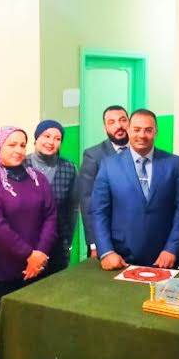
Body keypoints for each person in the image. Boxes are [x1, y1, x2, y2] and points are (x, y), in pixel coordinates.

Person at [0, 126, 57, 322]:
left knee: (36, 326)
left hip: (38, 269)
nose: (19, 150)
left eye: (22, 145)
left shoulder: (38, 179)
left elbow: (51, 216)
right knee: (4, 329)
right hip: (1, 274)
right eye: (11, 145)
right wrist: (29, 255)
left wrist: (40, 254)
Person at [92, 109, 179, 270]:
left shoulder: (174, 164)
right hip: (120, 257)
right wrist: (106, 252)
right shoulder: (109, 166)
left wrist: (172, 248)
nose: (142, 135)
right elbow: (99, 212)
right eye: (137, 129)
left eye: (148, 130)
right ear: (128, 130)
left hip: (163, 258)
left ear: (156, 131)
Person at [26, 120, 79, 274]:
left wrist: (67, 242)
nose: (51, 142)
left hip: (57, 245)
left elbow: (72, 209)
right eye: (46, 136)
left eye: (57, 139)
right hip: (27, 245)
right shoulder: (22, 165)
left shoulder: (68, 168)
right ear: (36, 138)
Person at [78, 105, 129, 258]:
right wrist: (94, 243)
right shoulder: (93, 155)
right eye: (111, 122)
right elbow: (87, 201)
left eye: (122, 120)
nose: (119, 126)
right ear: (105, 127)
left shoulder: (140, 152)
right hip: (105, 239)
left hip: (137, 237)